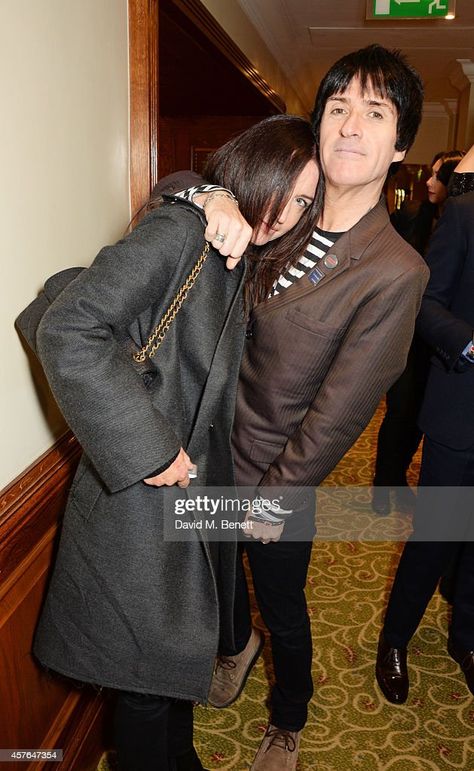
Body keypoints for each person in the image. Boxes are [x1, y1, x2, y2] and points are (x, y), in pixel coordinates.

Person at [156, 44, 429, 770]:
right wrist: (213, 199)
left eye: (375, 113)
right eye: (337, 107)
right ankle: (234, 645)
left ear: (400, 142)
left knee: (285, 605)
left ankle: (290, 717)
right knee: (216, 573)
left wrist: (276, 498)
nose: (349, 126)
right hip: (208, 448)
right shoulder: (289, 206)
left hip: (282, 478)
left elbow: (342, 408)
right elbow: (183, 180)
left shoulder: (396, 270)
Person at [30, 115, 320, 771]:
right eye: (284, 186)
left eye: (304, 201)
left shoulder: (235, 250)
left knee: (171, 654)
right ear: (250, 167)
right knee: (143, 673)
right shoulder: (186, 230)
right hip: (140, 484)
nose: (287, 210)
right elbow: (67, 328)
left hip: (189, 490)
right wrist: (150, 445)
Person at [376, 147, 474, 705]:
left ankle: (467, 639)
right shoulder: (464, 216)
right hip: (461, 412)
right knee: (436, 537)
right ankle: (394, 640)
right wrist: (468, 341)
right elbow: (427, 304)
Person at [372, 149, 465, 516]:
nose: (429, 182)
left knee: (422, 419)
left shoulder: (459, 221)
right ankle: (384, 484)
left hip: (441, 343)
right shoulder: (413, 216)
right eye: (431, 173)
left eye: (439, 176)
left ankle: (397, 481)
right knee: (400, 414)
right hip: (408, 337)